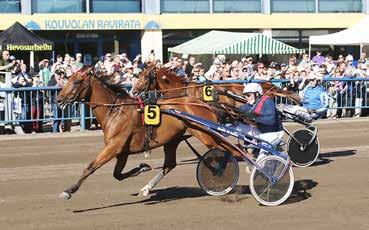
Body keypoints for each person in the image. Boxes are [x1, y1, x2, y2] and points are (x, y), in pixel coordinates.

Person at [234, 83, 284, 161]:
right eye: (245, 95)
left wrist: (254, 119)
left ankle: (282, 157)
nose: (246, 98)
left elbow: (270, 121)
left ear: (256, 94)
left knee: (261, 162)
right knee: (236, 126)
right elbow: (239, 110)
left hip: (273, 134)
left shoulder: (268, 102)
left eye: (248, 95)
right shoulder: (251, 104)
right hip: (261, 132)